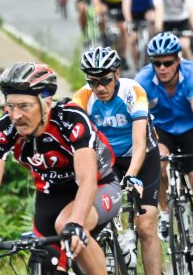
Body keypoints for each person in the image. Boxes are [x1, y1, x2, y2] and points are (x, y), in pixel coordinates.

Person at [0, 62, 120, 274]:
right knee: (45, 263)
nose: (15, 115)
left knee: (67, 226)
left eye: (24, 106)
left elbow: (87, 181)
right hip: (50, 194)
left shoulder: (71, 120)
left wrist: (75, 224)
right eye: (10, 106)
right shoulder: (4, 129)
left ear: (46, 103)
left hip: (99, 187)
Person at [74, 47, 162, 274]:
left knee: (146, 225)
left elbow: (140, 142)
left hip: (140, 155)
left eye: (105, 80)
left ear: (117, 74)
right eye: (93, 82)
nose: (100, 88)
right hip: (107, 160)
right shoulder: (82, 97)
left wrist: (132, 175)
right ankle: (117, 245)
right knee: (97, 219)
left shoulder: (133, 91)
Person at [135, 33, 193, 275]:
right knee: (158, 163)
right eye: (156, 63)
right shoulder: (143, 80)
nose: (162, 68)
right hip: (161, 130)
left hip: (191, 129)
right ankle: (165, 211)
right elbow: (137, 119)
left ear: (178, 60)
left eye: (167, 63)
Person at [91, 0, 129, 69]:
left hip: (119, 3)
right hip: (105, 2)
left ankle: (123, 56)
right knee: (101, 12)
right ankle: (103, 34)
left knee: (123, 28)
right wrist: (97, 7)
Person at [122, 0, 156, 70]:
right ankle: (137, 66)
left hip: (146, 12)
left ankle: (147, 58)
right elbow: (126, 4)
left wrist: (154, 15)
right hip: (133, 14)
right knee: (132, 38)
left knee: (152, 24)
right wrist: (128, 21)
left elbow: (156, 2)